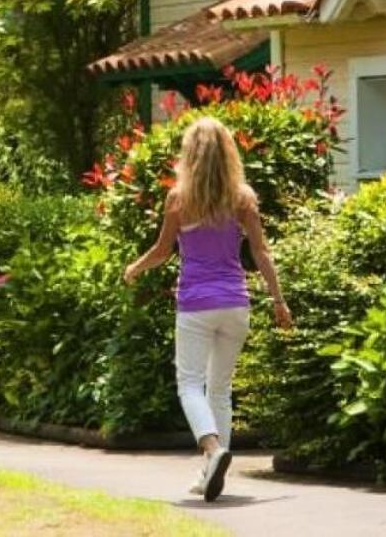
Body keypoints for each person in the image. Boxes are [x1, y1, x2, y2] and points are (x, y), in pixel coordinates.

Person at [123, 115, 294, 502]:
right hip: (236, 305)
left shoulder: (180, 199)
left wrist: (135, 267)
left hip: (197, 304)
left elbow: (163, 251)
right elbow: (260, 251)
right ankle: (210, 473)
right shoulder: (243, 197)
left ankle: (213, 451)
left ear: (191, 155)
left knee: (189, 384)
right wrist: (278, 299)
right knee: (219, 389)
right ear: (228, 154)